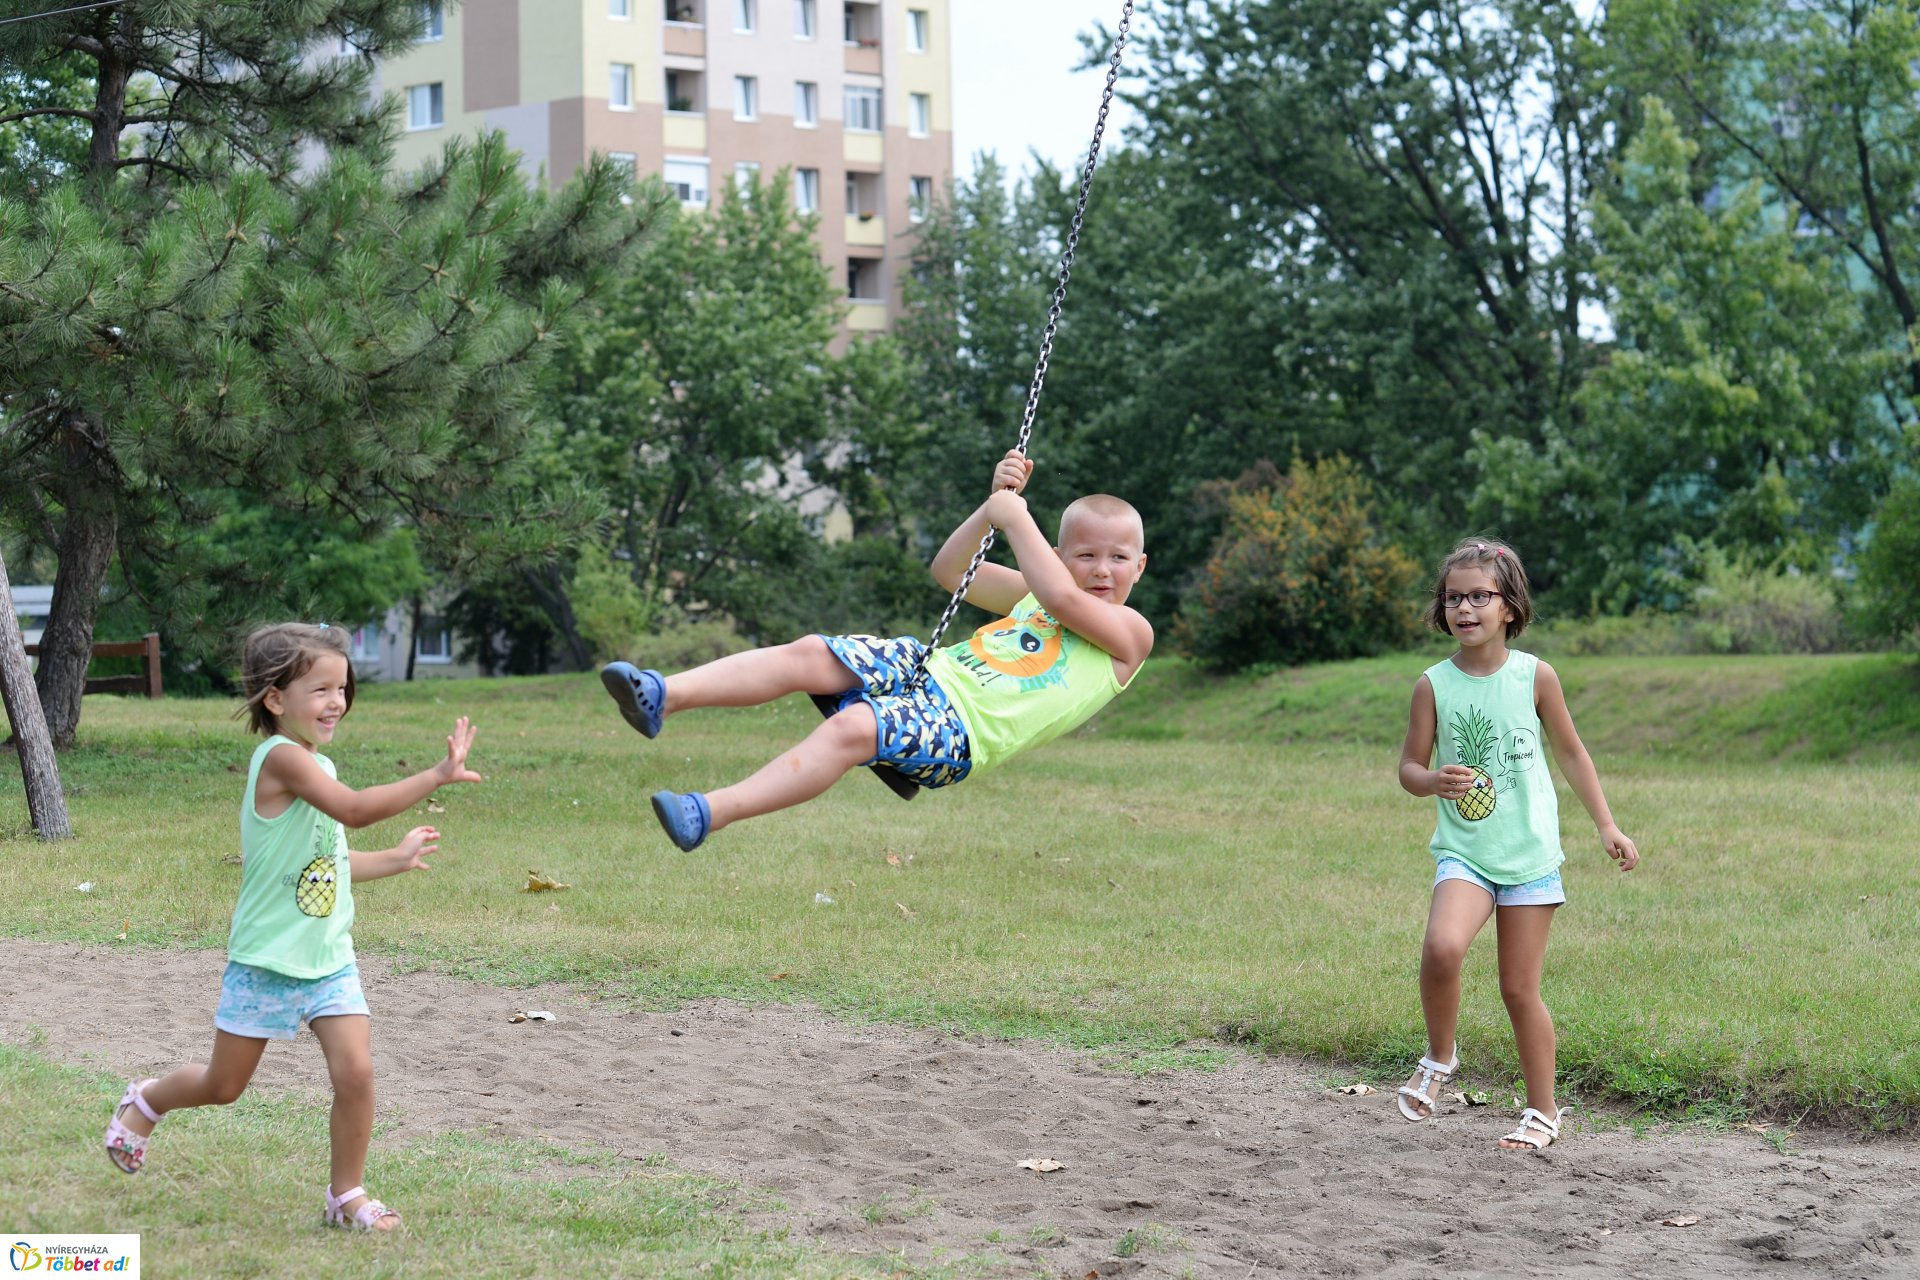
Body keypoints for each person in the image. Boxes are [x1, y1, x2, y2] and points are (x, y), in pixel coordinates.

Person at [102, 623, 482, 1231]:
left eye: (343, 688)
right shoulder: (281, 759)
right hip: (266, 960)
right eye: (321, 689)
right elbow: (354, 810)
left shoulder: (317, 763)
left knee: (356, 1073)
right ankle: (147, 1100)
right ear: (276, 699)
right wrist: (435, 775)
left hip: (328, 959)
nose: (338, 701)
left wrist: (395, 859)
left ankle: (346, 1195)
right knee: (224, 1085)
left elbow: (328, 864)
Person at [601, 449, 1153, 850]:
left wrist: (1016, 518)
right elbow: (951, 571)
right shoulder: (1034, 592)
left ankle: (708, 813)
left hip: (961, 731)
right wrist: (990, 509)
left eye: (1118, 558)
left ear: (1140, 567)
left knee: (853, 727)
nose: (1102, 570)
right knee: (812, 653)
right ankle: (661, 696)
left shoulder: (1130, 635)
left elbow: (1061, 597)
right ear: (1059, 556)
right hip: (928, 668)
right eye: (1085, 556)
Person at [1394, 539, 1639, 1150]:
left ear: (1509, 606)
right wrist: (1432, 780)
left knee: (1518, 989)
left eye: (1480, 596)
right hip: (1466, 851)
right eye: (1454, 598)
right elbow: (1409, 768)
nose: (1465, 608)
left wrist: (1606, 825)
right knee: (1442, 947)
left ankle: (1542, 1112)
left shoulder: (1536, 676)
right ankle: (1440, 1058)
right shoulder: (1433, 685)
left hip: (1529, 856)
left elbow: (1572, 753)